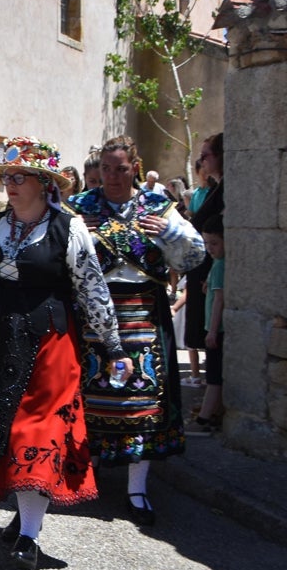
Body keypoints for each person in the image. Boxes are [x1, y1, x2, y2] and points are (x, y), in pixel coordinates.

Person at [0, 137, 130, 570]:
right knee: (3, 428)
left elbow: (91, 288)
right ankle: (26, 516)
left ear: (43, 183)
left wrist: (113, 344)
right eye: (8, 178)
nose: (11, 185)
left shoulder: (68, 229)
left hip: (49, 343)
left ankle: (28, 537)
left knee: (36, 430)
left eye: (20, 178)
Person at [65, 135, 205, 526]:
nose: (112, 176)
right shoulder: (79, 209)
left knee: (142, 400)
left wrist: (169, 233)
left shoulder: (159, 208)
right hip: (92, 311)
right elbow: (59, 260)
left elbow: (194, 257)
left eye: (121, 169)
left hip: (144, 313)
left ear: (135, 168)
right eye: (106, 168)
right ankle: (83, 476)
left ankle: (137, 489)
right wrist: (80, 233)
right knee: (87, 393)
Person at [184, 133, 224, 389]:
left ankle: (214, 400)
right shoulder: (217, 190)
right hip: (204, 271)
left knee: (213, 334)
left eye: (205, 155)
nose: (202, 161)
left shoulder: (225, 190)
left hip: (213, 272)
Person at [187, 215, 225, 436]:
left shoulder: (220, 266)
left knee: (213, 377)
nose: (210, 248)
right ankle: (215, 414)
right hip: (215, 328)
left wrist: (211, 331)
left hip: (216, 330)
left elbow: (219, 299)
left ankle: (202, 420)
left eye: (215, 243)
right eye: (206, 243)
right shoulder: (218, 264)